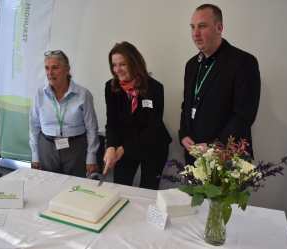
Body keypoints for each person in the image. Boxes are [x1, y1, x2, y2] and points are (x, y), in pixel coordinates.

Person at [179, 4, 261, 165]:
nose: (195, 33)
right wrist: (183, 134)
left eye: (202, 26)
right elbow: (187, 106)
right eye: (192, 27)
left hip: (226, 157)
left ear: (219, 27)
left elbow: (244, 115)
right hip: (194, 155)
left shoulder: (243, 62)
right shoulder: (191, 65)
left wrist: (214, 146)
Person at [104, 42, 172, 190]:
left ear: (134, 63)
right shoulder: (111, 87)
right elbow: (112, 122)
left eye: (122, 64)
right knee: (121, 189)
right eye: (114, 65)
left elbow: (153, 128)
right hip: (125, 144)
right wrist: (110, 146)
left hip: (153, 145)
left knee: (148, 191)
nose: (117, 70)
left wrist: (123, 148)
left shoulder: (155, 88)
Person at [29, 50, 99, 177]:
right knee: (49, 187)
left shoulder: (83, 94)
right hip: (47, 148)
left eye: (55, 68)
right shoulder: (39, 93)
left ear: (67, 70)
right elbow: (34, 126)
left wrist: (91, 157)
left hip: (75, 148)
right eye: (47, 68)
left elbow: (92, 128)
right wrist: (35, 154)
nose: (50, 73)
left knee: (75, 190)